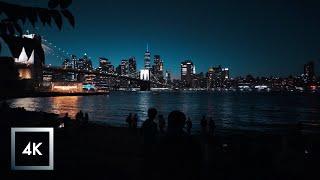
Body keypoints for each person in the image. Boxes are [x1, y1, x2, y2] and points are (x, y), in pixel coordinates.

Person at [154, 111, 201, 180]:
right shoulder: (192, 141)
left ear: (168, 123)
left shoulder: (161, 141)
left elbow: (156, 162)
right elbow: (197, 163)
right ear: (183, 123)